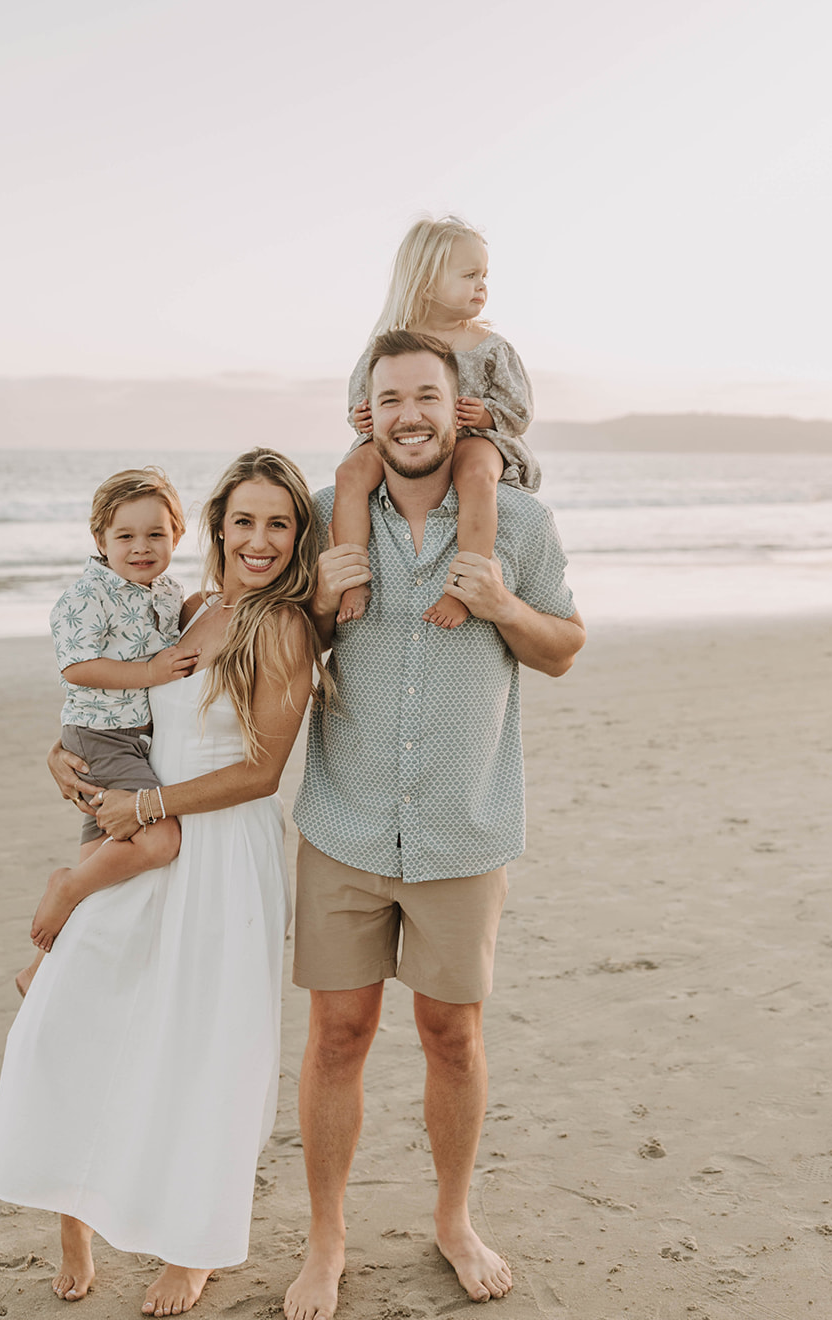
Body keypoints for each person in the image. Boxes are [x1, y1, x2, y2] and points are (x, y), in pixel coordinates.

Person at [284, 330, 584, 1320]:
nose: (409, 413)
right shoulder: (327, 517)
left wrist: (500, 604)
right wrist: (318, 611)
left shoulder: (520, 523)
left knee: (451, 1034)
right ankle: (325, 1239)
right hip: (345, 824)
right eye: (390, 398)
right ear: (365, 414)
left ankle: (453, 1219)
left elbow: (562, 648)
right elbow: (272, 651)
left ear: (454, 407)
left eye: (426, 394)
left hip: (462, 830)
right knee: (337, 1034)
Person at [0, 449, 325, 1317]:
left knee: (206, 1052)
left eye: (277, 523)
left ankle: (192, 1246)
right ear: (214, 528)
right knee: (76, 1019)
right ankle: (75, 1208)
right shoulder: (189, 606)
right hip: (142, 832)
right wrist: (59, 755)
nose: (258, 539)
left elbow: (261, 771)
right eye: (242, 521)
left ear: (297, 536)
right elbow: (119, 705)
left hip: (216, 852)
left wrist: (151, 805)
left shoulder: (282, 627)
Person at [17, 468, 196, 998]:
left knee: (103, 866)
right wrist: (149, 673)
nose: (141, 548)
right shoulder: (88, 596)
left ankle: (39, 973)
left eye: (155, 535)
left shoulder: (168, 592)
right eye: (125, 536)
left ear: (177, 537)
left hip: (133, 738)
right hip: (103, 735)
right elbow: (76, 667)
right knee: (159, 839)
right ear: (100, 540)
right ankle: (64, 887)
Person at [333, 216, 539, 630]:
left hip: (476, 438)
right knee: (350, 472)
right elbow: (363, 396)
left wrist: (485, 414)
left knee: (478, 473)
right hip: (408, 438)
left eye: (484, 276)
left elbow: (520, 412)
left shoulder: (490, 347)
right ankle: (353, 579)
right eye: (469, 275)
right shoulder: (391, 343)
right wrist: (361, 415)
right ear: (427, 282)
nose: (482, 285)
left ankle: (465, 585)